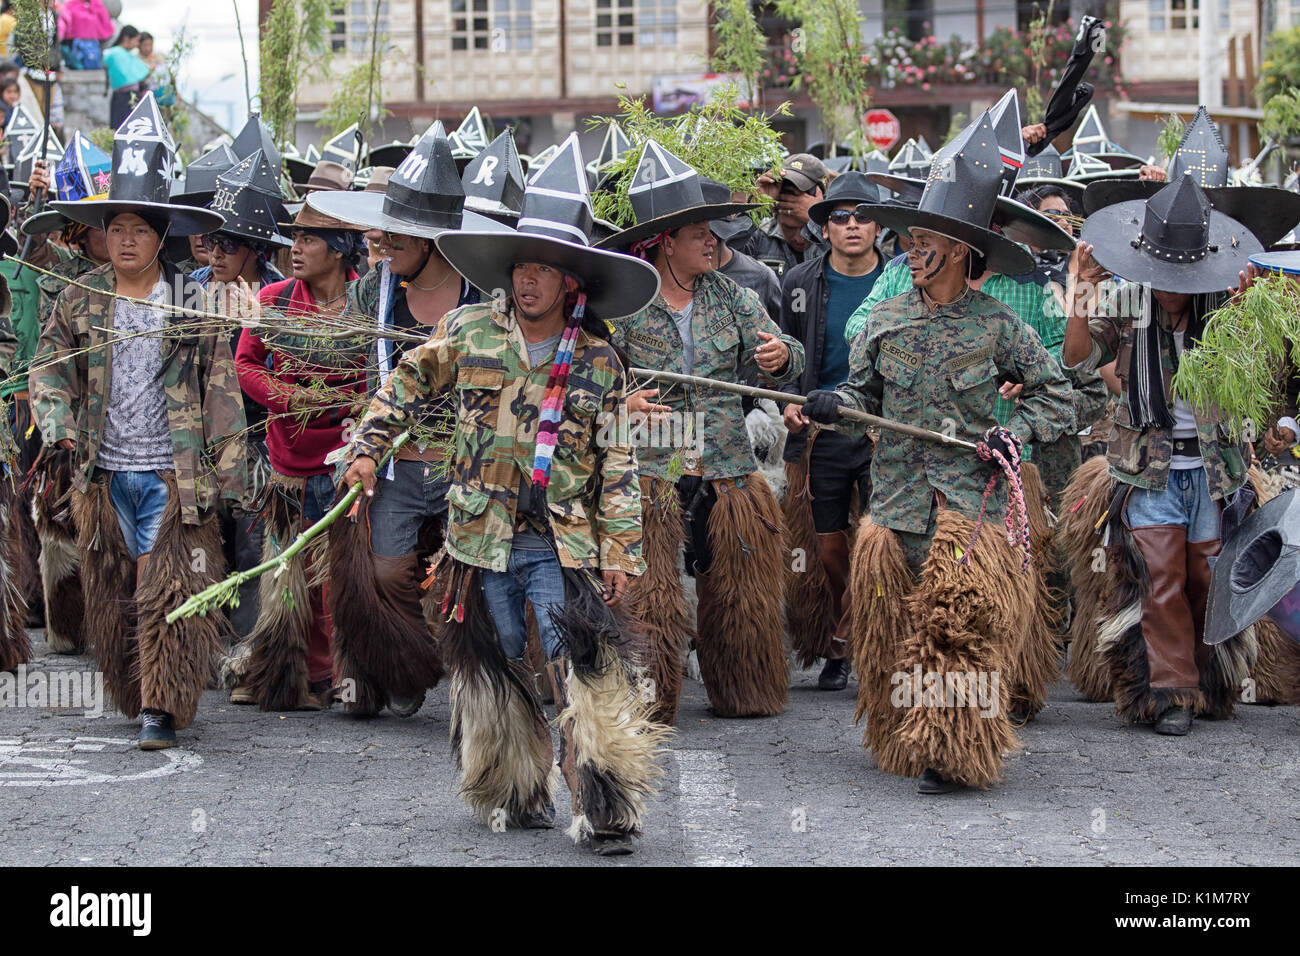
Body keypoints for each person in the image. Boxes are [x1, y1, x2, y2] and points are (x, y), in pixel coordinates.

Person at [344, 133, 668, 855]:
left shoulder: (596, 362)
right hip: (477, 536)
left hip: (560, 536)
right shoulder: (466, 332)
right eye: (521, 268)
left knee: (572, 663)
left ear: (570, 284)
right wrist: (365, 449)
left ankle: (599, 801)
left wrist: (622, 552)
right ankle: (512, 787)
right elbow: (402, 387)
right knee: (497, 660)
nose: (528, 283)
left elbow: (619, 461)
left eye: (544, 272)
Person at [803, 112, 1075, 794]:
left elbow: (1059, 398)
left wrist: (1017, 432)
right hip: (894, 511)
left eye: (921, 241)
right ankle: (905, 736)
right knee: (894, 632)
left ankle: (955, 751)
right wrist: (832, 406)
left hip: (967, 510)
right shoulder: (887, 321)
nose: (909, 250)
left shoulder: (997, 325)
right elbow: (856, 397)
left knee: (958, 633)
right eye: (911, 239)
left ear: (956, 250)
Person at [264, 123, 505, 717]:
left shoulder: (486, 295)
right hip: (395, 464)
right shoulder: (375, 289)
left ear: (433, 239)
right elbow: (334, 347)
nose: (383, 241)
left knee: (474, 578)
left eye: (399, 234)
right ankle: (408, 665)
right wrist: (270, 332)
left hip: (467, 465)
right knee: (385, 574)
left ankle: (486, 684)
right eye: (384, 231)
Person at [28, 93, 245, 750]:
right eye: (116, 228)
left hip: (174, 476)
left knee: (163, 587)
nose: (126, 241)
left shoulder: (191, 303)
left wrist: (230, 479)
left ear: (161, 237)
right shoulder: (81, 298)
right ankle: (143, 693)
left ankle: (161, 706)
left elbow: (222, 388)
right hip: (102, 476)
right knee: (116, 597)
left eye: (140, 230)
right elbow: (49, 365)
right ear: (104, 235)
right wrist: (57, 422)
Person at [603, 141, 804, 723]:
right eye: (701, 236)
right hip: (651, 468)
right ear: (667, 241)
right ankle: (651, 700)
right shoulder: (626, 304)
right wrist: (623, 402)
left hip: (725, 462)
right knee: (653, 594)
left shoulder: (734, 297)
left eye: (715, 235)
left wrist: (777, 358)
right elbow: (588, 382)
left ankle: (743, 689)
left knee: (741, 589)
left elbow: (788, 352)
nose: (715, 243)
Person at [1066, 174, 1261, 736]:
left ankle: (1212, 682)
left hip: (1212, 469)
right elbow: (1077, 358)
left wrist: (1248, 315)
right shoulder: (1126, 300)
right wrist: (1080, 289)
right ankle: (1170, 693)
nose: (1173, 284)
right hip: (1146, 468)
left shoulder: (1224, 303)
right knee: (1160, 577)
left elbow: (1261, 376)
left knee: (1206, 574)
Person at [229, 203, 367, 711]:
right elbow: (245, 363)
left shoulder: (366, 304)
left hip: (347, 462)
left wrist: (356, 408)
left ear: (339, 250)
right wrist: (288, 398)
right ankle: (286, 675)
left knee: (339, 581)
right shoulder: (275, 299)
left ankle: (345, 679)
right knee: (285, 578)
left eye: (309, 240)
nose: (296, 249)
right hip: (287, 467)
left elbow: (382, 372)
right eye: (295, 238)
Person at [777, 172, 883, 691]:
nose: (852, 225)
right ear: (825, 228)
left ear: (879, 226)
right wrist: (790, 404)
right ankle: (845, 631)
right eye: (840, 217)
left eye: (863, 215)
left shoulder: (901, 282)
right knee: (828, 548)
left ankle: (857, 644)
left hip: (885, 429)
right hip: (821, 430)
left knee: (880, 540)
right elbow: (787, 353)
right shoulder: (800, 283)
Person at [735, 153, 831, 277]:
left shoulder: (837, 236)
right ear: (775, 213)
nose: (798, 238)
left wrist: (817, 220)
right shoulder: (761, 237)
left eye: (806, 228)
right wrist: (755, 208)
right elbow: (727, 258)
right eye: (789, 228)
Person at [103, 26, 150, 128]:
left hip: (127, 96)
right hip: (123, 97)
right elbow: (129, 76)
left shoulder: (123, 54)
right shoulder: (115, 53)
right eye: (136, 40)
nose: (137, 44)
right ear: (126, 38)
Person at [57, 0, 114, 69]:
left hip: (93, 44)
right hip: (74, 43)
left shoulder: (96, 4)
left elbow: (105, 21)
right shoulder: (70, 5)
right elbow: (65, 22)